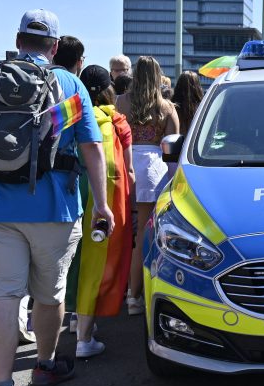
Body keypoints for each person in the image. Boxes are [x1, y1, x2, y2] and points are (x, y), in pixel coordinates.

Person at [0, 9, 114, 386]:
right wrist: (103, 203)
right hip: (53, 208)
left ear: (18, 39)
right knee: (50, 293)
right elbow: (92, 150)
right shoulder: (69, 83)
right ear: (55, 47)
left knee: (5, 293)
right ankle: (43, 366)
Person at [65, 65, 133, 358]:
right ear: (109, 90)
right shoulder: (118, 121)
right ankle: (84, 338)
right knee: (97, 262)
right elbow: (128, 169)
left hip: (69, 193)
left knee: (72, 258)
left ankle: (72, 317)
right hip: (104, 197)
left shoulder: (70, 113)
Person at [116, 55, 179, 315]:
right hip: (153, 170)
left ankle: (116, 291)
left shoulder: (121, 102)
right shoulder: (166, 108)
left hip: (123, 166)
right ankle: (135, 296)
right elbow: (173, 149)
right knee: (144, 232)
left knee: (120, 232)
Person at [171, 70, 204, 134]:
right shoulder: (203, 107)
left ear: (178, 86)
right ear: (197, 87)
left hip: (177, 142)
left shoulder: (172, 108)